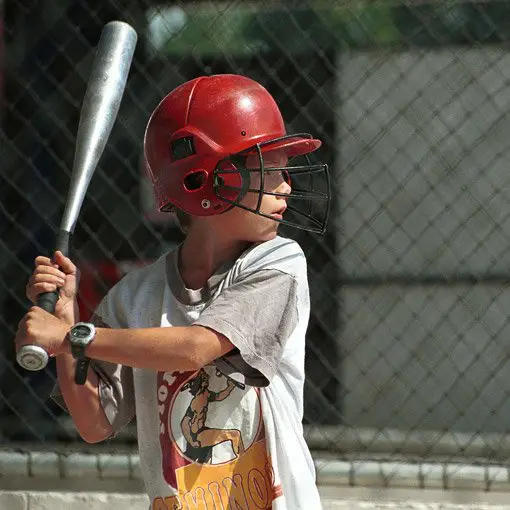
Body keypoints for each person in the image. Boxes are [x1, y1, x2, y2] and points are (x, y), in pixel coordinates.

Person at [16, 74, 331, 509]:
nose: (286, 186)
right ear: (205, 181)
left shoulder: (278, 263)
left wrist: (74, 338)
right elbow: (94, 424)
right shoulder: (134, 297)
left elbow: (196, 347)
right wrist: (66, 326)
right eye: (270, 169)